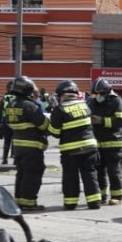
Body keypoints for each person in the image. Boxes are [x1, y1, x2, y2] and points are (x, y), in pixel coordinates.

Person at [47, 80, 101, 210]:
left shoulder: (60, 110)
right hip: (90, 147)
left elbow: (55, 133)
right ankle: (94, 202)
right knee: (90, 174)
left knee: (70, 176)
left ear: (61, 95)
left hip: (70, 151)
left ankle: (71, 203)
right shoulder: (85, 106)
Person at [4, 76, 47, 211]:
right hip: (32, 145)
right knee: (33, 173)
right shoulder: (29, 105)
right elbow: (43, 124)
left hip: (18, 145)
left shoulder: (11, 104)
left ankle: (19, 200)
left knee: (21, 173)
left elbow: (9, 123)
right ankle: (29, 203)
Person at [88, 78, 122, 205]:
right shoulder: (91, 102)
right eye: (96, 93)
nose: (98, 96)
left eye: (101, 94)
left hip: (113, 142)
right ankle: (102, 195)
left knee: (113, 171)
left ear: (107, 92)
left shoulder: (116, 101)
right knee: (99, 171)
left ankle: (117, 196)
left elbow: (121, 121)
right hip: (97, 143)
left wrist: (101, 120)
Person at [0, 80, 16, 164]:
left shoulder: (4, 98)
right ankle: (15, 159)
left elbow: (0, 111)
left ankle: (4, 159)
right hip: (16, 122)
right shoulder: (17, 98)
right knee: (15, 140)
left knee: (7, 141)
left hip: (6, 122)